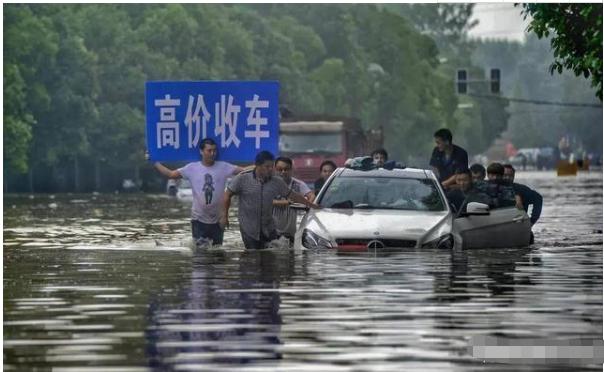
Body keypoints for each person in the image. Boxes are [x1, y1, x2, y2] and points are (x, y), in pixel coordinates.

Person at [151, 138, 247, 246]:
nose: (212, 153)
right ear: (201, 151)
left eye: (214, 151)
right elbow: (171, 174)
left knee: (217, 251)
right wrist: (155, 162)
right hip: (198, 219)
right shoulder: (192, 168)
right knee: (200, 253)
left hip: (218, 218)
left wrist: (260, 167)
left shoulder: (223, 167)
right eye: (209, 151)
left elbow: (244, 171)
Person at [221, 151, 320, 250]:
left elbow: (294, 196)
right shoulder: (242, 179)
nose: (270, 169)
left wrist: (311, 205)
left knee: (271, 258)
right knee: (252, 258)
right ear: (258, 166)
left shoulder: (276, 182)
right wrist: (224, 216)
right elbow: (227, 195)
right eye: (267, 167)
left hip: (269, 228)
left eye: (271, 167)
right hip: (249, 229)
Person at [272, 157, 315, 242]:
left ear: (291, 170)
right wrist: (286, 202)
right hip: (272, 231)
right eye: (280, 169)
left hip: (290, 232)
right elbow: (265, 201)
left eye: (286, 169)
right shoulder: (269, 185)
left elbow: (311, 196)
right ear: (275, 170)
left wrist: (307, 206)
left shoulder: (298, 184)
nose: (283, 172)